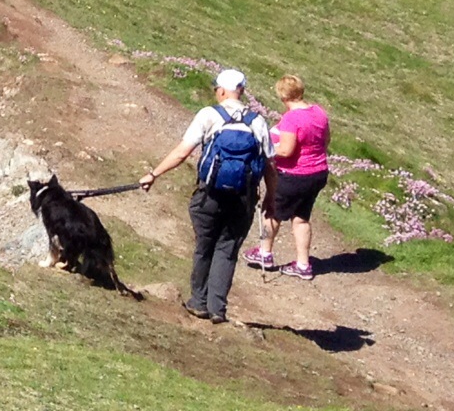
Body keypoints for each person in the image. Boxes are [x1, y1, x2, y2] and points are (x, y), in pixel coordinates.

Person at [141, 68, 270, 324]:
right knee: (227, 250)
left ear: (221, 91)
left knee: (204, 246)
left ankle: (198, 302)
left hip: (209, 195)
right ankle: (217, 308)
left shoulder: (209, 115)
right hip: (243, 199)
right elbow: (269, 165)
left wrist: (153, 174)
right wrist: (270, 200)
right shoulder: (257, 121)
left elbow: (182, 153)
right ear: (241, 91)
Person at [244, 75, 330, 280]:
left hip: (294, 175)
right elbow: (326, 141)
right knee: (301, 217)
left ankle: (264, 252)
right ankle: (303, 264)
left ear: (283, 96)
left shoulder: (292, 119)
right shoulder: (318, 112)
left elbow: (286, 150)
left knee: (272, 211)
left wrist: (265, 148)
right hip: (317, 173)